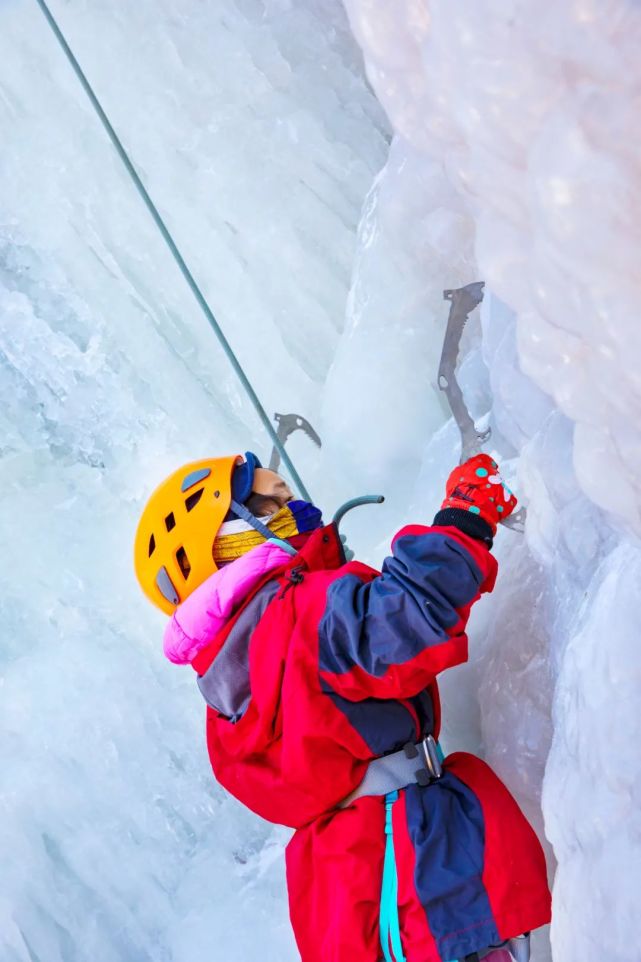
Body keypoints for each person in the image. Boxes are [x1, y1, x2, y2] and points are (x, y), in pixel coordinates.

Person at [134, 451, 552, 962]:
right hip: (418, 871)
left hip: (352, 889)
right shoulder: (296, 614)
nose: (296, 506)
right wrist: (464, 518)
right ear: (226, 541)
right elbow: (406, 619)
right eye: (273, 503)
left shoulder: (224, 694)